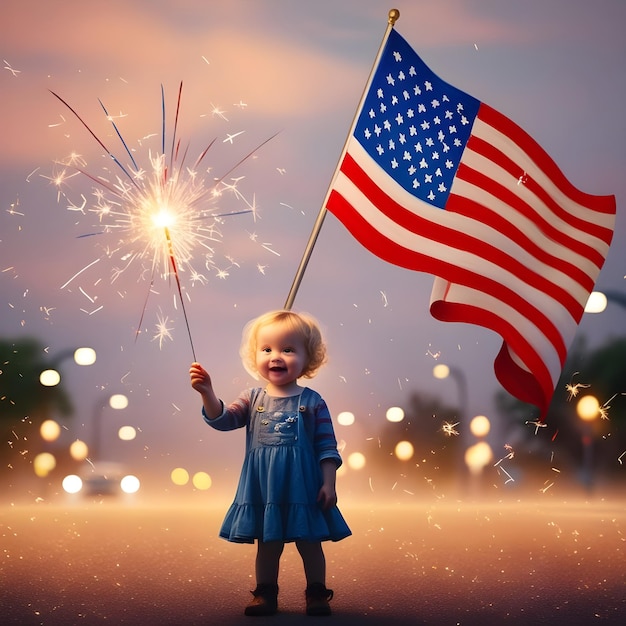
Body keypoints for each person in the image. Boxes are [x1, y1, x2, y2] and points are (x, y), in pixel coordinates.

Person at [189, 309, 351, 617]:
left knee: (309, 541)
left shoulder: (313, 401)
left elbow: (326, 447)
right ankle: (265, 592)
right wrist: (207, 393)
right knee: (267, 542)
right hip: (265, 487)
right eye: (267, 349)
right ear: (255, 356)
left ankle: (317, 592)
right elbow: (223, 419)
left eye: (288, 349)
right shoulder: (252, 398)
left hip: (304, 486)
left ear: (308, 358)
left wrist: (329, 483)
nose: (276, 356)